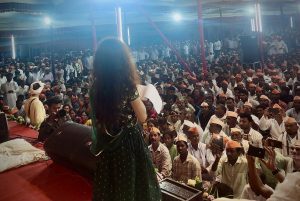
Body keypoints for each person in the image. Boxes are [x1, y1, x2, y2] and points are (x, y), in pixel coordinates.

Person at [90, 38, 161, 201]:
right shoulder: (127, 86)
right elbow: (142, 116)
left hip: (108, 143)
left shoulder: (95, 87)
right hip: (128, 143)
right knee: (131, 184)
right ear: (123, 60)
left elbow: (98, 117)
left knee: (111, 183)